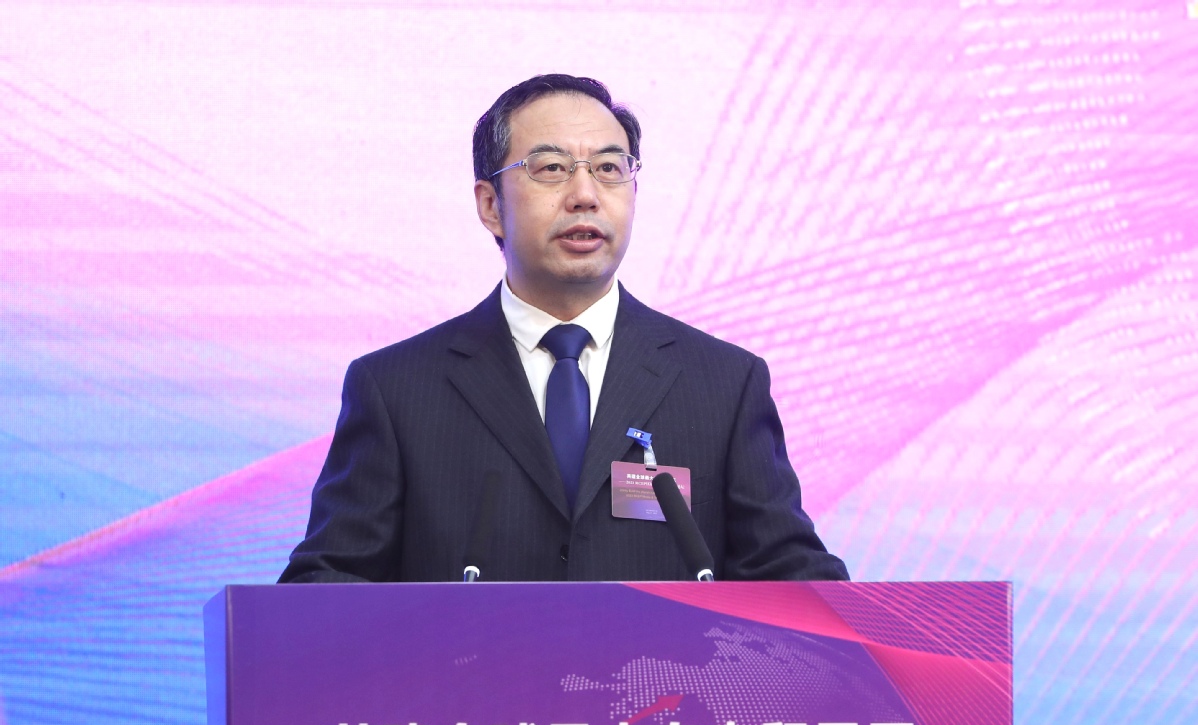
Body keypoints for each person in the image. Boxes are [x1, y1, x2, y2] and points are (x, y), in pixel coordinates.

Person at [279, 74, 847, 584]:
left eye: (609, 169)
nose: (585, 195)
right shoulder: (397, 388)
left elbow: (792, 577)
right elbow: (328, 582)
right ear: (491, 205)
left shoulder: (723, 383)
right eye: (551, 168)